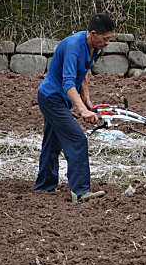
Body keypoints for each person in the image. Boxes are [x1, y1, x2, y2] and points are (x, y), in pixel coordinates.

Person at [35, 13, 115, 203]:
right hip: (51, 99)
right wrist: (83, 110)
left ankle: (44, 187)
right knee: (77, 140)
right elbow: (68, 83)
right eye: (105, 39)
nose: (107, 43)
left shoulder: (93, 47)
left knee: (52, 143)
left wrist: (86, 97)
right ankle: (81, 191)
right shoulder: (73, 47)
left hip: (59, 100)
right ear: (93, 34)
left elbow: (84, 72)